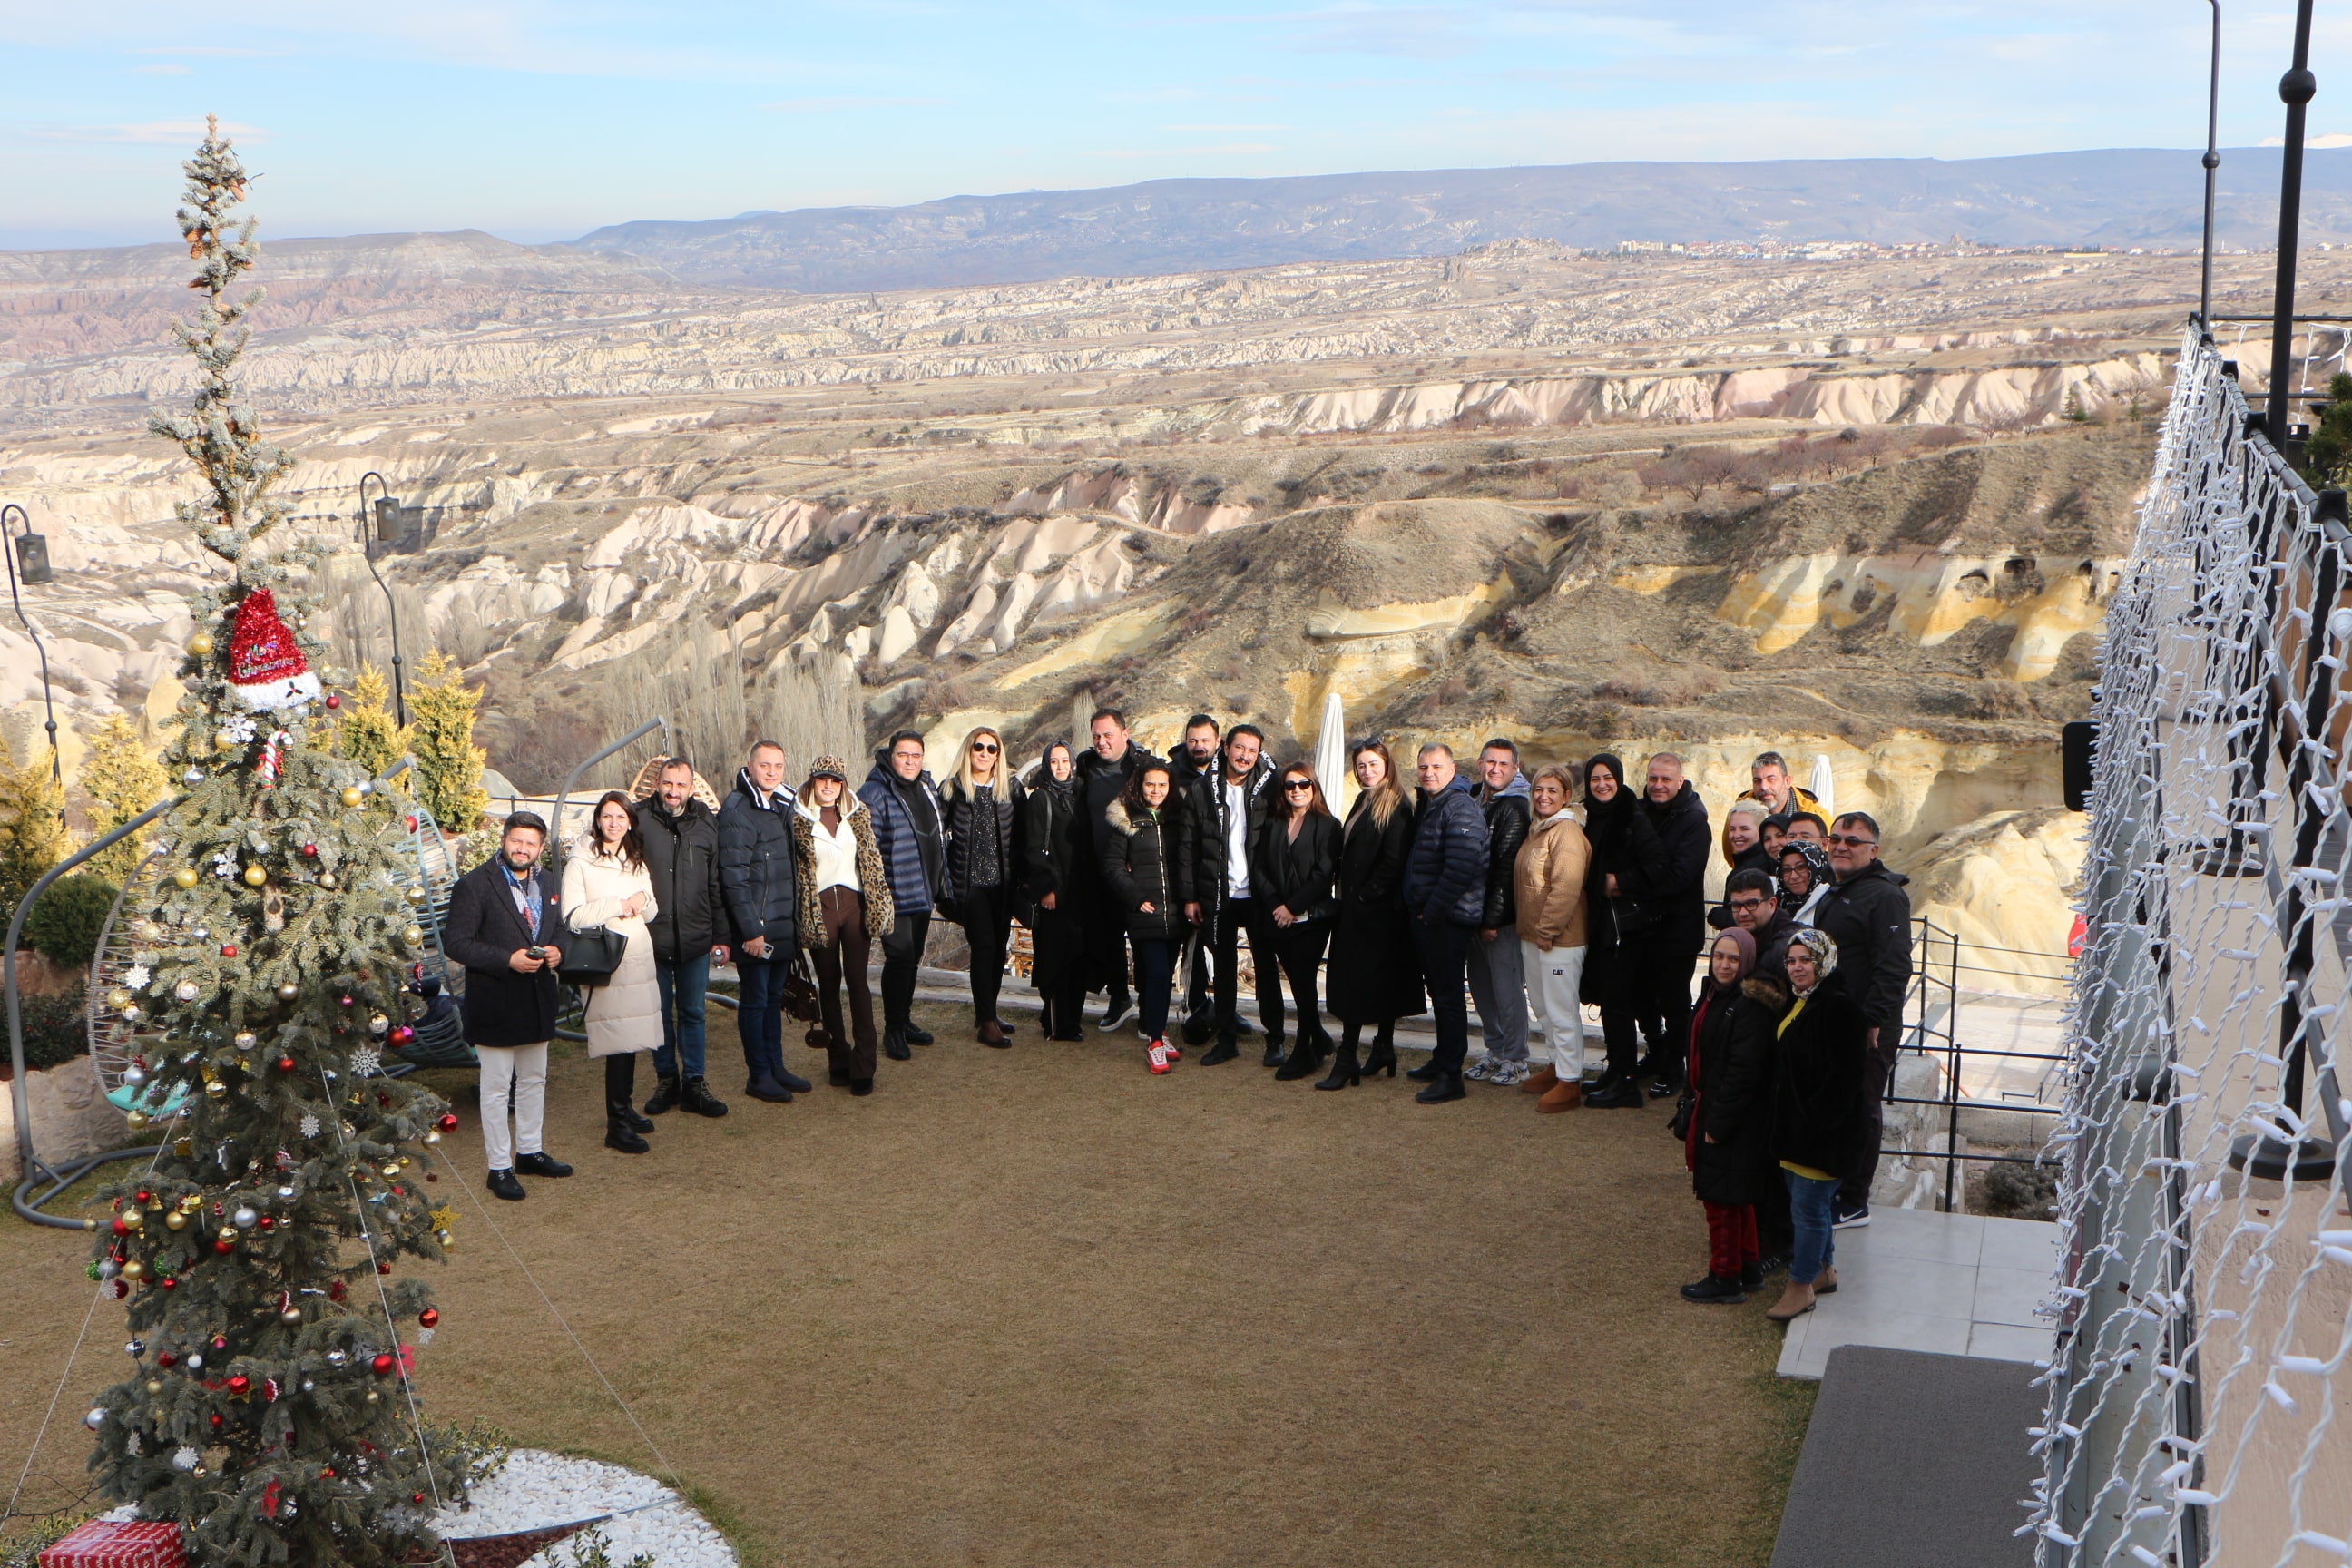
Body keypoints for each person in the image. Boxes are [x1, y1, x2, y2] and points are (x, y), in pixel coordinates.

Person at [446, 813, 573, 1200]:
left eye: (531, 843)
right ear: (504, 840)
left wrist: (557, 950)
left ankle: (530, 1152)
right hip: (495, 1000)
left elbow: (560, 928)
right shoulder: (474, 885)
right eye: (516, 841)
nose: (523, 849)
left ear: (539, 847)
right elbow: (457, 943)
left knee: (534, 1081)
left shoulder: (548, 881)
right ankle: (498, 1167)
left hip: (537, 1000)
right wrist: (507, 959)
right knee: (497, 1088)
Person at [1811, 810, 1914, 1230]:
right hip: (1834, 1021)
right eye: (1835, 838)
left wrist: (1873, 1020)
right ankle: (1835, 1189)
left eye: (1852, 841)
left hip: (1866, 1028)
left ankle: (1854, 1201)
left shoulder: (1884, 896)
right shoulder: (1838, 890)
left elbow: (1894, 966)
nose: (1841, 846)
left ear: (1874, 850)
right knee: (1839, 1107)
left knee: (1862, 1110)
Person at [1766, 929, 1869, 1323]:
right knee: (1811, 1208)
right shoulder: (1800, 1001)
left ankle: (1800, 1286)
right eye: (1791, 961)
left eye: (1805, 960)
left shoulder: (1839, 1007)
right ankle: (1824, 1271)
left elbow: (1844, 1081)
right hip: (1796, 1132)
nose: (1796, 968)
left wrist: (1813, 1124)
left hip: (1819, 1136)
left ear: (1823, 962)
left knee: (1807, 1213)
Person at [560, 792, 665, 1154]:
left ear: (630, 820)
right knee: (618, 1043)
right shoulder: (581, 861)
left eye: (621, 817)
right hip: (607, 961)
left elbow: (650, 908)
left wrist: (641, 901)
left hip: (637, 958)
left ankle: (627, 1108)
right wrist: (616, 905)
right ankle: (616, 1125)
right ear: (598, 819)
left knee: (632, 1039)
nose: (614, 823)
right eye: (608, 816)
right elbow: (572, 916)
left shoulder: (633, 856)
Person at [1681, 928, 1781, 1305]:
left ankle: (1725, 1276)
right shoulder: (1720, 995)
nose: (1724, 964)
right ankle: (1748, 1266)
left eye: (1733, 959)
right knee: (1737, 1197)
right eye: (1719, 956)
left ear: (1747, 962)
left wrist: (1717, 1125)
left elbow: (1743, 1072)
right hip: (1723, 1110)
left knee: (1721, 1198)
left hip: (1732, 1116)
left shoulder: (1748, 1005)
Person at [1321, 740, 1423, 1089]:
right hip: (1358, 909)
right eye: (1361, 765)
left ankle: (1347, 1055)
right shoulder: (1365, 799)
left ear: (1387, 766)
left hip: (1376, 913)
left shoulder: (1395, 805)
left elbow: (1394, 861)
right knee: (1372, 982)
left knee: (1358, 983)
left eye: (1373, 764)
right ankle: (1383, 1048)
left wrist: (1366, 896)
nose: (1367, 771)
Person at [790, 756, 894, 1094]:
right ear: (812, 781)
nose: (828, 786)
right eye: (823, 780)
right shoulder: (798, 821)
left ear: (842, 784)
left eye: (835, 781)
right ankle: (838, 1059)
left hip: (854, 906)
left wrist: (877, 904)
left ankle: (864, 1065)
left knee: (858, 981)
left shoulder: (857, 815)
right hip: (819, 908)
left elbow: (872, 862)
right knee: (829, 985)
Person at [633, 758, 729, 1120]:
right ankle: (666, 1080)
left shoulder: (706, 823)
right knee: (657, 1013)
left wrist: (721, 935)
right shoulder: (638, 819)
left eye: (681, 785)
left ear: (692, 787)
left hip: (695, 936)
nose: (674, 792)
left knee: (693, 1012)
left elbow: (715, 883)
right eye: (667, 784)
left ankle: (695, 1083)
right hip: (651, 938)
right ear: (658, 784)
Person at [1183, 723, 1282, 1066]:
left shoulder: (1272, 787)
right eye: (1239, 748)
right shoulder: (1201, 790)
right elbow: (1189, 846)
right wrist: (1191, 897)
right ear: (1226, 748)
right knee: (1223, 970)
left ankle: (1276, 1039)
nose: (1244, 756)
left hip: (1258, 893)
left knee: (1266, 968)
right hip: (1218, 892)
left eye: (1252, 751)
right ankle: (1226, 1039)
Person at [719, 740, 810, 1104]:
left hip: (780, 921)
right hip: (757, 926)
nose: (772, 772)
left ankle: (776, 1067)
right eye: (765, 765)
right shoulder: (739, 809)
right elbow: (733, 877)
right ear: (750, 766)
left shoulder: (783, 804)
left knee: (774, 999)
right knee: (755, 1001)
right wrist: (750, 931)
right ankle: (758, 1074)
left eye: (778, 766)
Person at [1616, 752, 1711, 1097]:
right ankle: (1655, 1053)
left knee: (1673, 1002)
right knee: (1641, 996)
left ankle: (1675, 1067)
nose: (1658, 785)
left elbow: (1681, 876)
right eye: (1653, 778)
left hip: (1677, 929)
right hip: (1641, 926)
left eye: (1665, 780)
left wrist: (1629, 882)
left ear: (1680, 782)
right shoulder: (1638, 811)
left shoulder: (1694, 821)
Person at [1403, 743, 1491, 1104]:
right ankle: (1442, 1059)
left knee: (1449, 997)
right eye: (1423, 767)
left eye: (1436, 766)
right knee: (1440, 994)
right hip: (1436, 917)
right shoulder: (1435, 803)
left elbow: (1462, 867)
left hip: (1448, 920)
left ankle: (1452, 1075)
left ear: (1452, 769)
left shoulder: (1459, 806)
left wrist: (1432, 912)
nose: (1428, 773)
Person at [938, 725, 1027, 1046]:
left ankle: (987, 1011)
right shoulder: (952, 789)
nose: (985, 754)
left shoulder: (1011, 789)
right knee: (984, 947)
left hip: (1002, 887)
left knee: (998, 949)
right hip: (969, 885)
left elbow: (1022, 837)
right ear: (969, 749)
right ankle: (987, 1022)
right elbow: (936, 836)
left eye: (992, 749)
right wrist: (942, 884)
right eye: (979, 747)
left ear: (999, 754)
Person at [860, 730, 946, 1060]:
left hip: (923, 890)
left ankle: (905, 1019)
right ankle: (893, 1030)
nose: (909, 762)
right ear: (890, 756)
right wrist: (877, 894)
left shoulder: (926, 787)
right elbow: (867, 849)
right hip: (893, 893)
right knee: (899, 959)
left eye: (915, 756)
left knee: (912, 960)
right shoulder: (875, 791)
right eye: (903, 755)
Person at [1075, 709, 1161, 1029]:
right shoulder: (1085, 765)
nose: (1101, 742)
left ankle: (1148, 1008)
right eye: (1096, 736)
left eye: (1108, 735)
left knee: (1141, 940)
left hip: (1137, 870)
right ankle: (1119, 998)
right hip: (1098, 869)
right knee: (1106, 939)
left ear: (1125, 733)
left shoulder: (1141, 768)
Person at [1256, 760, 1341, 1081]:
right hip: (1278, 918)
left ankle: (1305, 1050)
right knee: (1296, 983)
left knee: (1304, 985)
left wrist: (1292, 907)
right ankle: (1318, 1039)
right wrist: (1277, 905)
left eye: (1303, 784)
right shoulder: (1273, 822)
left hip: (1312, 919)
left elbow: (1324, 874)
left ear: (1313, 787)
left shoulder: (1328, 825)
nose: (1296, 790)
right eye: (1290, 785)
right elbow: (1260, 868)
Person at [1514, 763, 1590, 1112]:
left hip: (1559, 939)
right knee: (1543, 1009)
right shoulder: (1539, 829)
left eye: (1552, 791)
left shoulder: (1567, 833)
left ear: (1567, 796)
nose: (1543, 796)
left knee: (1561, 1012)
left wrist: (1547, 930)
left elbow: (1566, 886)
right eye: (1538, 790)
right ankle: (1556, 1066)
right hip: (1533, 937)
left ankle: (1570, 1080)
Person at [1100, 760, 1185, 1073]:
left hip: (1175, 912)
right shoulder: (1127, 819)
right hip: (1145, 912)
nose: (1156, 791)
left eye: (1162, 785)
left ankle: (1159, 1031)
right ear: (1140, 785)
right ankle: (1154, 1042)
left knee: (1165, 977)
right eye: (1151, 784)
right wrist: (1136, 898)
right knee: (1158, 973)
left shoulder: (1178, 818)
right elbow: (1112, 865)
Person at [1465, 739, 1534, 1087]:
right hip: (1472, 914)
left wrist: (1492, 919)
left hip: (1499, 919)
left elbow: (1506, 869)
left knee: (1506, 989)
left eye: (1503, 764)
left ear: (1515, 769)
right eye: (1490, 762)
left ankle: (1517, 1058)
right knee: (1481, 988)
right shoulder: (1476, 800)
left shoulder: (1516, 808)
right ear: (1480, 764)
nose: (1495, 769)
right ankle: (1495, 1052)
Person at [1578, 753, 1643, 1108]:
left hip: (1624, 927)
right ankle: (1615, 1070)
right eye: (1595, 779)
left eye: (1608, 778)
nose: (1602, 785)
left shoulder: (1632, 816)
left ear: (1619, 779)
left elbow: (1658, 868)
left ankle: (1627, 1083)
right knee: (1607, 1004)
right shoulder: (1591, 818)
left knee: (1619, 1006)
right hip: (1601, 925)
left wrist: (1621, 881)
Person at [1020, 740, 1088, 1041]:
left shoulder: (1078, 795)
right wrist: (1046, 889)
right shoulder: (1040, 800)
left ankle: (1072, 1020)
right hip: (1055, 895)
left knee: (1077, 959)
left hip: (1078, 894)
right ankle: (1058, 1024)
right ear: (1046, 766)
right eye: (1054, 762)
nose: (1061, 767)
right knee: (1056, 960)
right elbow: (1033, 848)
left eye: (1065, 761)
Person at [1166, 713, 1224, 1044]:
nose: (1199, 746)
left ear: (1218, 741)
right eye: (1193, 740)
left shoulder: (1231, 775)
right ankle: (1196, 1009)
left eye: (1205, 740)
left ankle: (1225, 1011)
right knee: (1189, 951)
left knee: (1222, 949)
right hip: (1182, 875)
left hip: (1219, 878)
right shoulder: (1172, 776)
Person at [1708, 800, 1774, 932]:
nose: (1736, 835)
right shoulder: (1746, 863)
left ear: (1761, 832)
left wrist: (1715, 915)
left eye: (1744, 829)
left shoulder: (1755, 869)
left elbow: (1745, 919)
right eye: (1732, 829)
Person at [1740, 751, 1821, 819]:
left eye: (1771, 779)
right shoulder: (1740, 815)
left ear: (1787, 781)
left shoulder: (1814, 815)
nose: (1763, 786)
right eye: (1757, 781)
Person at [1778, 840, 1832, 925]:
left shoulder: (1830, 903)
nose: (1793, 876)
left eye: (1801, 867)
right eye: (1786, 870)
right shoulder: (1775, 904)